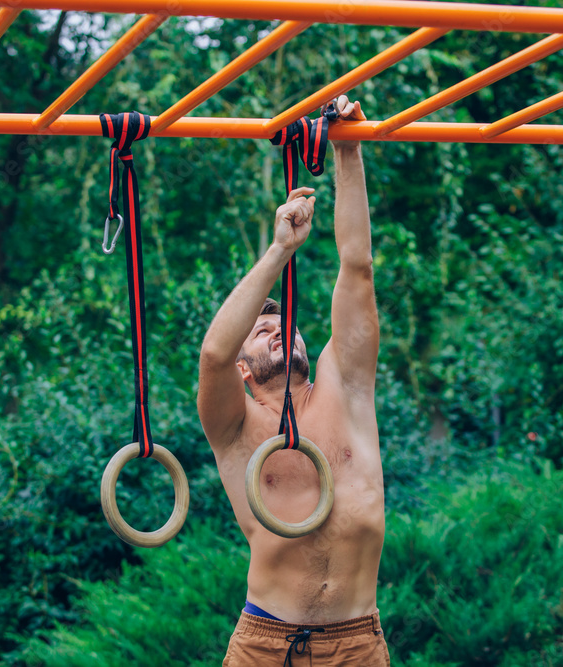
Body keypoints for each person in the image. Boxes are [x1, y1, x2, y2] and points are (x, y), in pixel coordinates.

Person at [197, 96, 388, 666]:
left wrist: (347, 148)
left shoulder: (346, 386)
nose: (280, 330)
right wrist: (281, 250)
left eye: (286, 324)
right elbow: (212, 352)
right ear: (242, 364)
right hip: (265, 645)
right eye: (263, 329)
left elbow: (357, 268)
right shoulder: (233, 424)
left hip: (356, 643)